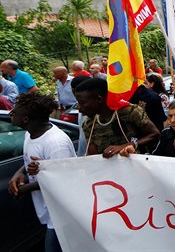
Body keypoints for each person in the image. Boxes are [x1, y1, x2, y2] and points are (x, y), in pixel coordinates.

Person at [8, 93, 76, 252]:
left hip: (61, 215)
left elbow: (63, 180)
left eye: (15, 112)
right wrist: (20, 172)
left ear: (26, 119)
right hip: (47, 209)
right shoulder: (30, 133)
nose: (10, 113)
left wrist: (24, 189)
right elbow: (31, 160)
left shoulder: (56, 144)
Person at [74, 78, 160, 157]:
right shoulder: (89, 124)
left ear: (99, 99)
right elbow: (93, 155)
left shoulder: (130, 111)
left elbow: (154, 134)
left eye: (82, 103)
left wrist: (128, 145)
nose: (78, 107)